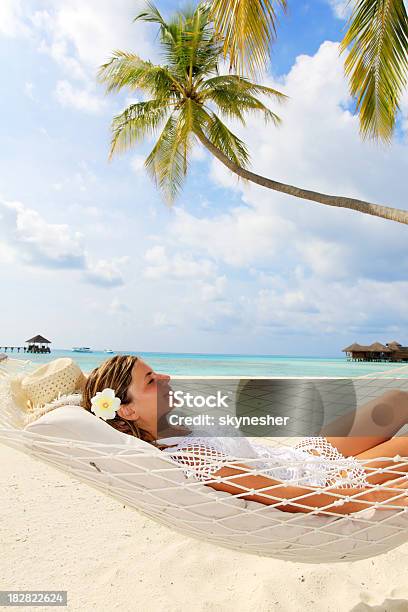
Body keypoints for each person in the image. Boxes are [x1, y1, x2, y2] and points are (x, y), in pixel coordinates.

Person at [81, 355, 408, 515]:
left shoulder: (175, 424)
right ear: (127, 411)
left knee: (397, 401)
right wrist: (377, 498)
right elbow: (283, 494)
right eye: (151, 380)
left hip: (300, 455)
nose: (165, 376)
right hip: (319, 480)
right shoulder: (189, 456)